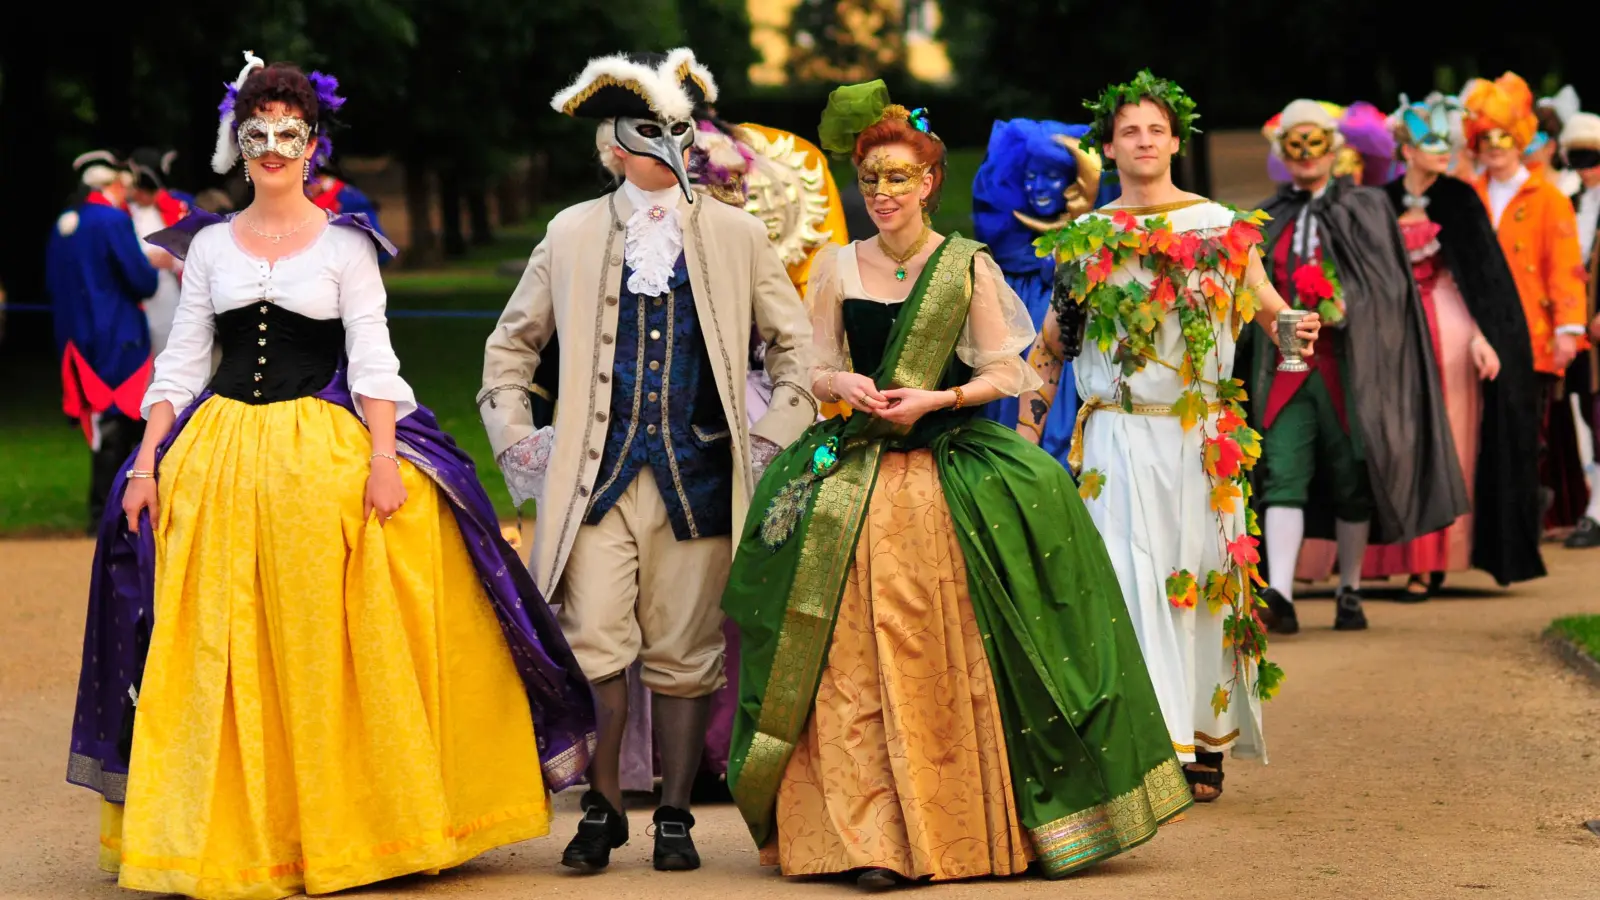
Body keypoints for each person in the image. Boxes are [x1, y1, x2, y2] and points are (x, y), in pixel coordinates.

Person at [68, 53, 596, 900]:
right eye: (258, 133)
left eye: (290, 133)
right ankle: (232, 833)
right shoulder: (208, 248)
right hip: (222, 453)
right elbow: (180, 362)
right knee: (219, 644)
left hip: (325, 451)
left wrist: (385, 460)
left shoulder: (347, 244)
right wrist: (144, 459)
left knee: (329, 641)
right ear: (238, 145)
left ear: (313, 144)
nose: (274, 148)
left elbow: (375, 360)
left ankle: (357, 825)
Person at [726, 80, 1187, 888]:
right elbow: (808, 362)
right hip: (855, 471)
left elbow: (1006, 366)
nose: (883, 194)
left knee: (943, 651)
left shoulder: (965, 266)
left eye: (899, 178)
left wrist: (937, 396)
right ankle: (863, 837)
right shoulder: (837, 265)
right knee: (848, 660)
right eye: (871, 181)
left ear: (929, 182)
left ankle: (954, 827)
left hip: (947, 469)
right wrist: (846, 386)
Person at [481, 48, 816, 874]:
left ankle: (672, 817)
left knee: (685, 647)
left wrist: (774, 434)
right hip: (593, 479)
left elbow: (793, 345)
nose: (668, 143)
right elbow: (510, 346)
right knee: (593, 638)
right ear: (613, 147)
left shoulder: (736, 233)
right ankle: (600, 809)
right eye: (648, 131)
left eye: (677, 128)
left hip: (698, 478)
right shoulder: (571, 231)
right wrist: (521, 442)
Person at [1020, 71, 1316, 803]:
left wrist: (1293, 327)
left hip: (1202, 441)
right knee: (1123, 585)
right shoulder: (1084, 240)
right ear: (1111, 147)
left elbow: (1271, 308)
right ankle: (1144, 746)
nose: (1144, 141)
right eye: (1130, 131)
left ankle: (1200, 743)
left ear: (1176, 141)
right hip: (1116, 441)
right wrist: (1026, 439)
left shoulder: (1220, 227)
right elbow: (1052, 347)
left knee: (1203, 586)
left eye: (1156, 129)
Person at [613, 110, 847, 797]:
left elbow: (789, 345)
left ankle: (742, 743)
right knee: (652, 575)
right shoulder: (645, 251)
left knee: (757, 565)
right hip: (662, 419)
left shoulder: (746, 249)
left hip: (751, 419)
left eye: (731, 190)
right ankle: (668, 752)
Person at [1247, 99, 1466, 632]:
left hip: (1350, 366)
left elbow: (1389, 287)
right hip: (1284, 370)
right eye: (1294, 144)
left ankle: (1349, 590)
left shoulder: (1366, 207)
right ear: (1283, 152)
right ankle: (1280, 593)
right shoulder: (1265, 217)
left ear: (1334, 149)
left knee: (1351, 475)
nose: (1305, 154)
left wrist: (1349, 305)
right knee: (1281, 473)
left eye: (1314, 142)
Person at [1356, 94, 1545, 592]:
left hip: (1454, 326)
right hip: (1395, 331)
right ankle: (1404, 553)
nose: (1444, 151)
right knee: (1400, 438)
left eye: (1447, 142)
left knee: (1456, 438)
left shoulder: (1461, 199)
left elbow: (1485, 280)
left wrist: (1486, 336)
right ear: (1407, 150)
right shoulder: (1381, 198)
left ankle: (1440, 555)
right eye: (1430, 143)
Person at [1462, 73, 1589, 534]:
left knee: (1525, 431)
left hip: (1532, 333)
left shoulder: (1550, 198)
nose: (1495, 146)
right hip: (1473, 334)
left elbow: (1566, 266)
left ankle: (1522, 519)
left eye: (1504, 137)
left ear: (1520, 141)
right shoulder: (1466, 196)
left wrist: (1568, 330)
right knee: (1479, 431)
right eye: (1486, 137)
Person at [972, 118, 1115, 456]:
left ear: (1073, 184)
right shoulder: (1005, 259)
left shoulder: (1094, 251)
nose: (1038, 187)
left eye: (1051, 177)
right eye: (1031, 177)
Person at [47, 149, 163, 530]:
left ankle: (100, 509)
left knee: (101, 426)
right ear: (111, 184)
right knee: (123, 421)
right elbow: (142, 281)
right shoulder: (113, 221)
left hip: (76, 338)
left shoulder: (66, 222)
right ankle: (110, 511)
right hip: (118, 333)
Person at [1562, 111, 1600, 548]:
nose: (1586, 167)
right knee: (1585, 413)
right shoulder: (1569, 202)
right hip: (1578, 331)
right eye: (1578, 158)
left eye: (1592, 157)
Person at [126, 147, 191, 356]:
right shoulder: (122, 212)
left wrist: (172, 260)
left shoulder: (174, 209)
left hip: (168, 294)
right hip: (132, 295)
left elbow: (194, 252)